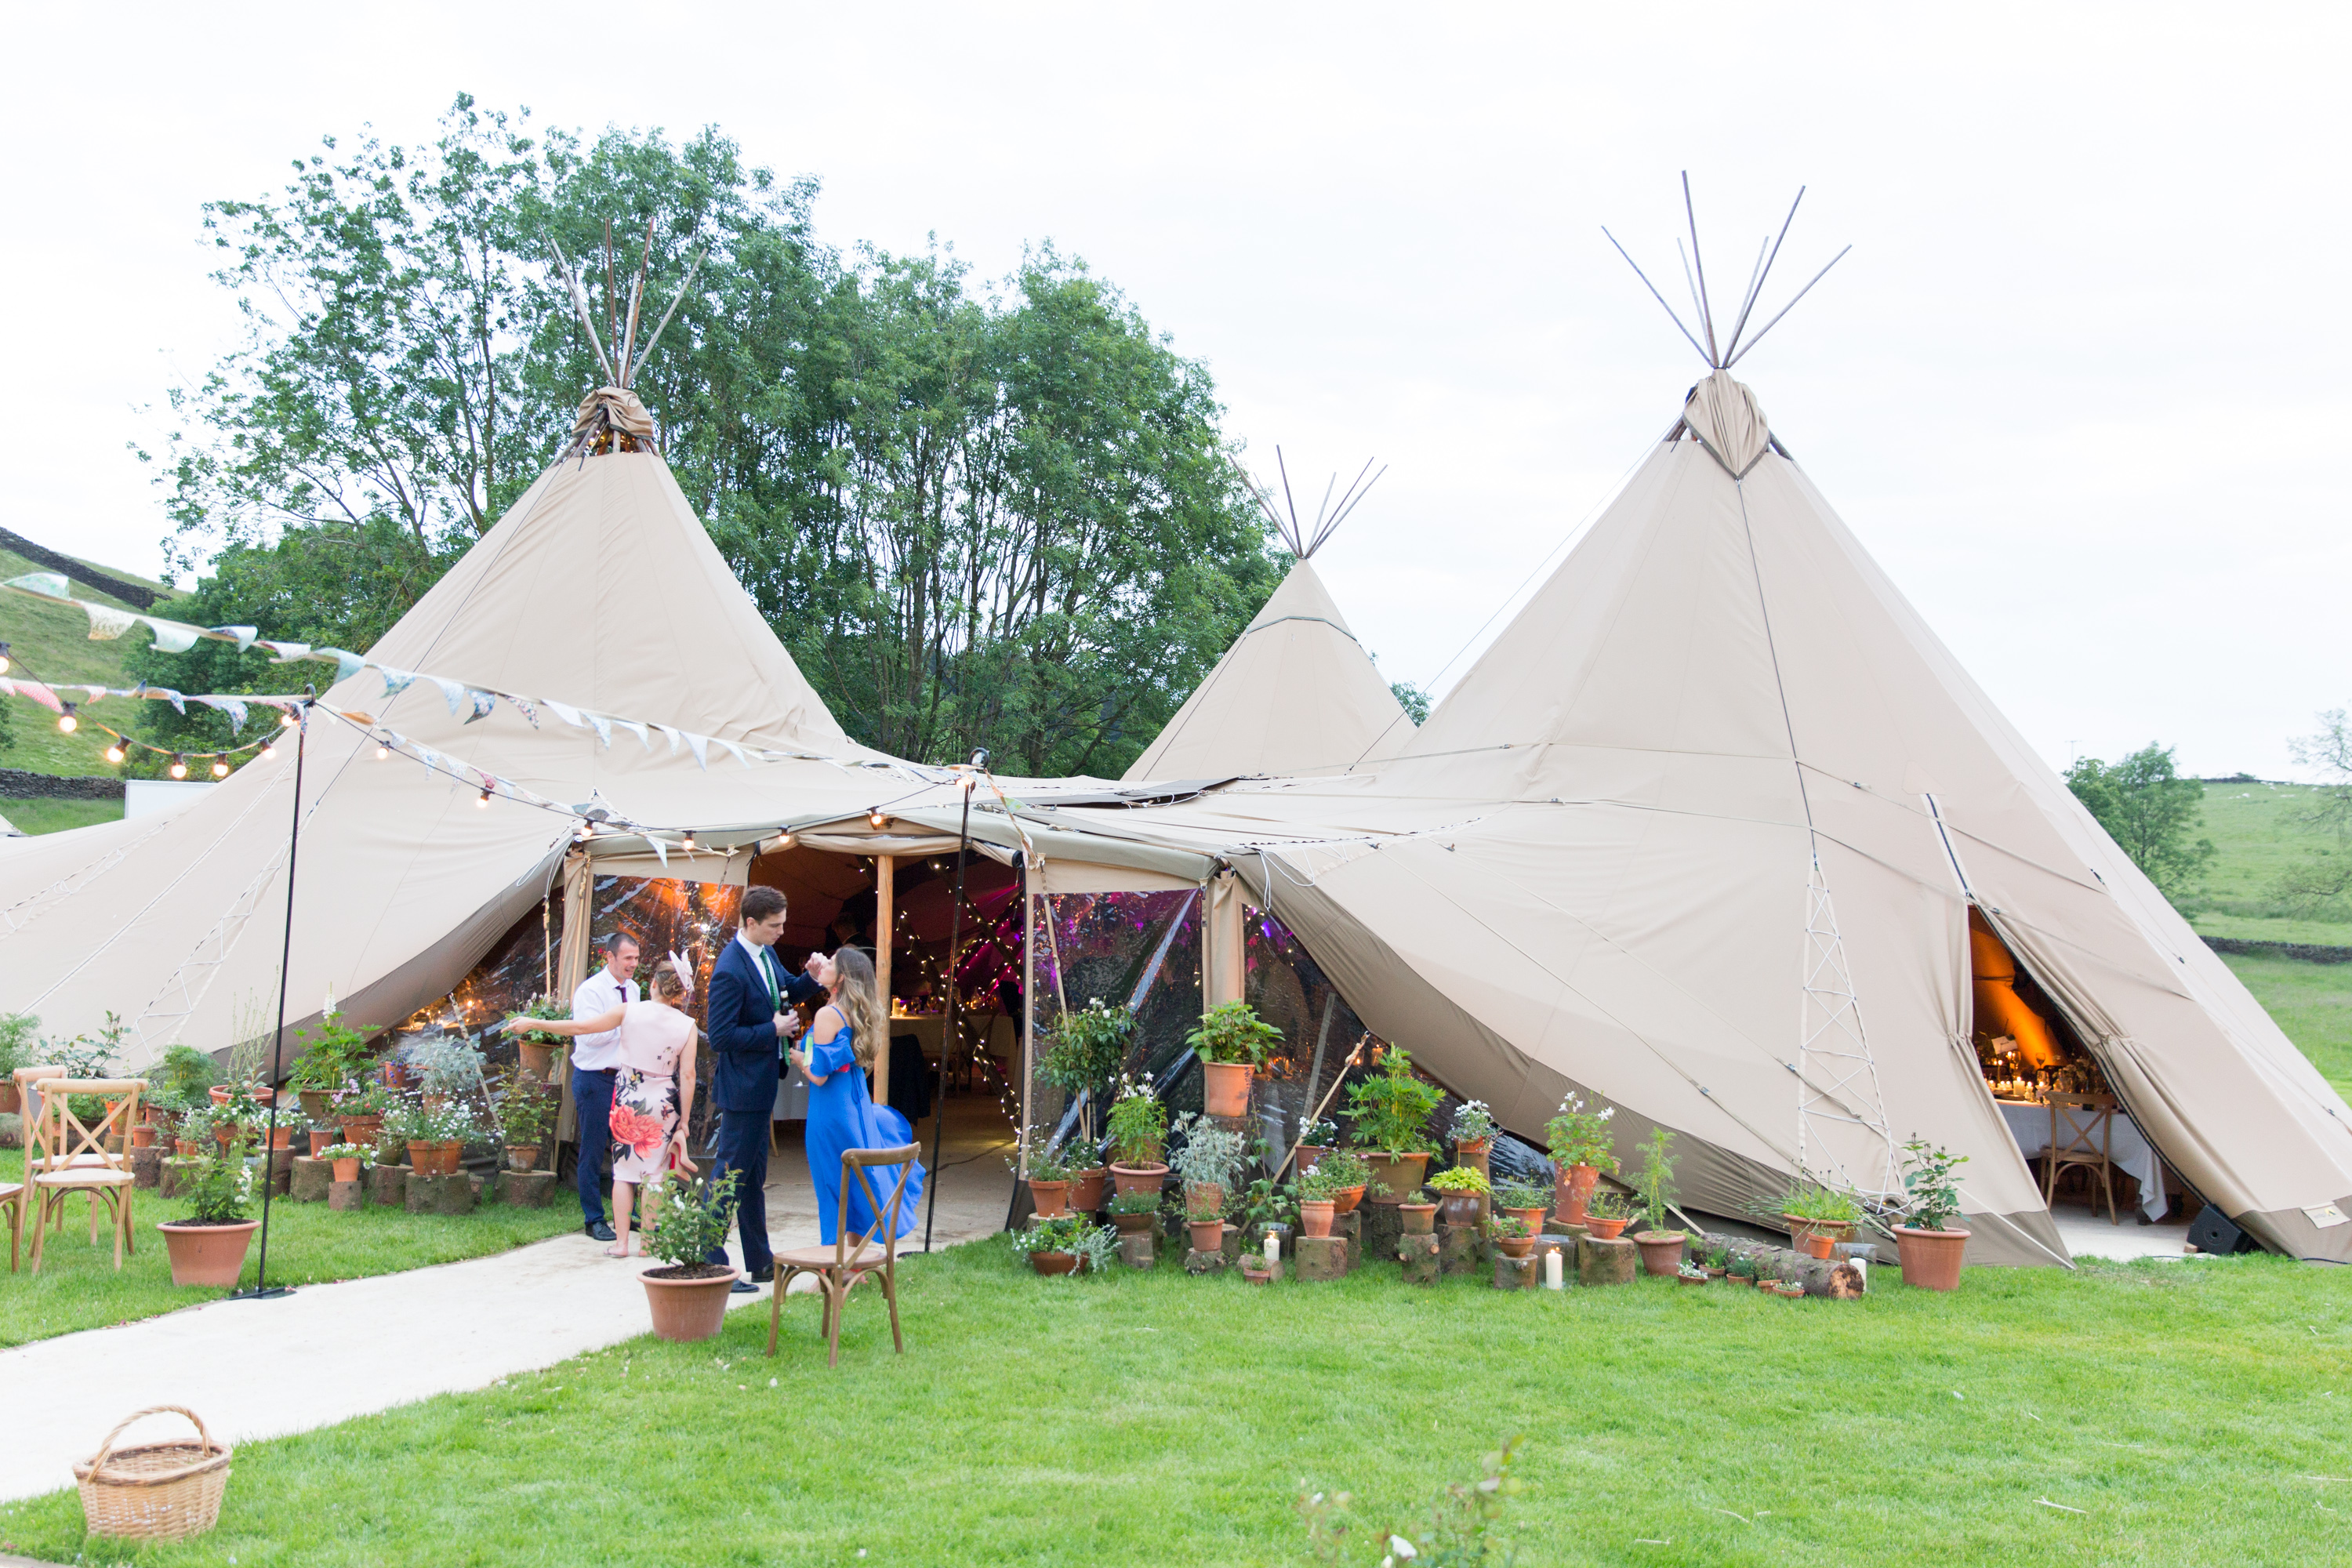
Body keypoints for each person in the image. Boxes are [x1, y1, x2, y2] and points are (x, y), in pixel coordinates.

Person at [510, 955, 699, 1258]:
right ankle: (648, 1245)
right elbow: (688, 1075)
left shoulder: (629, 1011)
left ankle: (622, 1244)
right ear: (679, 993)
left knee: (623, 1174)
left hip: (628, 1098)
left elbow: (582, 1028)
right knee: (655, 1175)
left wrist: (533, 1022)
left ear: (653, 985)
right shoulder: (687, 1024)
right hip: (663, 1101)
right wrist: (685, 1121)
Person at [705, 885, 824, 1292]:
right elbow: (719, 1037)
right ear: (750, 923)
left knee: (753, 1177)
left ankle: (759, 1261)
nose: (781, 932)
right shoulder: (729, 969)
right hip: (741, 1088)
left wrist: (809, 977)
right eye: (775, 926)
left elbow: (785, 988)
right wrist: (770, 1030)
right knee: (730, 1175)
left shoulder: (765, 953)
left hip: (760, 1087)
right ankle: (711, 1261)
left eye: (783, 924)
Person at [794, 946, 925, 1244]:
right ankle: (853, 1261)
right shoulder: (852, 1013)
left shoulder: (828, 1014)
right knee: (852, 1185)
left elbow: (819, 1075)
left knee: (831, 1188)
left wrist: (799, 1059)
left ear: (841, 979)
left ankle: (833, 1264)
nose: (824, 962)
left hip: (829, 1110)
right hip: (855, 1105)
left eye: (831, 962)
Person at [570, 932, 640, 1241]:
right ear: (609, 957)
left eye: (636, 959)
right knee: (593, 1148)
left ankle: (627, 1213)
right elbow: (589, 1036)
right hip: (595, 1078)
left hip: (624, 1078)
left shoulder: (635, 989)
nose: (633, 965)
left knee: (629, 1148)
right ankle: (593, 1219)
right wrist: (621, 1023)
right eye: (627, 958)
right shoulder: (591, 991)